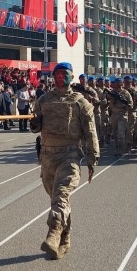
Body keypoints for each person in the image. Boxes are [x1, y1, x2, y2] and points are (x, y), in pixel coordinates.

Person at [30, 62, 98, 260]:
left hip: (69, 156)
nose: (60, 77)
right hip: (47, 157)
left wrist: (93, 159)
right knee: (57, 200)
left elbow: (90, 132)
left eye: (64, 74)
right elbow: (36, 127)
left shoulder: (80, 102)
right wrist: (34, 124)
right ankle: (65, 240)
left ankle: (53, 234)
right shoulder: (43, 100)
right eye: (57, 74)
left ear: (72, 76)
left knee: (60, 195)